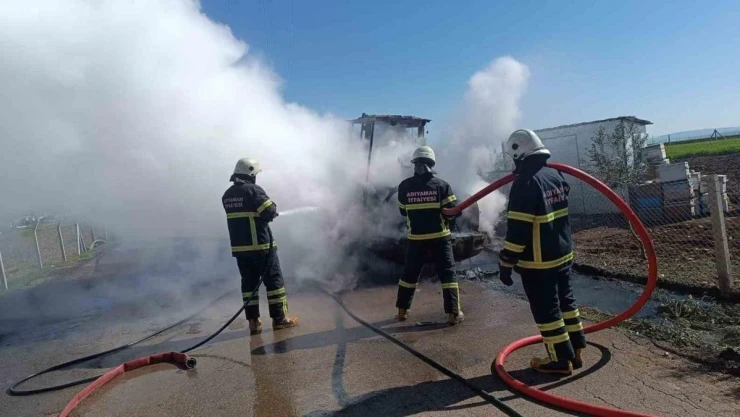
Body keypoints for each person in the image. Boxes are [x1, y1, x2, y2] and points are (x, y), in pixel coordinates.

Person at [497, 129, 586, 375]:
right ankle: (576, 350)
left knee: (547, 311)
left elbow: (518, 230)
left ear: (519, 154)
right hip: (562, 253)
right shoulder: (555, 175)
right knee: (566, 302)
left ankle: (560, 361)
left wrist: (506, 262)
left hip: (539, 261)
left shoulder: (526, 183)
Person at [222, 157, 299, 335]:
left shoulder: (227, 195)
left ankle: (253, 322)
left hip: (240, 250)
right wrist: (272, 211)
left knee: (249, 285)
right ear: (251, 173)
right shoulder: (253, 190)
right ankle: (280, 319)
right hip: (261, 247)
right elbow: (269, 211)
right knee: (274, 282)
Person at [395, 146, 464, 326]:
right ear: (432, 164)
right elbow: (452, 211)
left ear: (414, 163)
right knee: (447, 274)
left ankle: (402, 311)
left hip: (416, 238)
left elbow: (403, 212)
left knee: (409, 274)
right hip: (440, 237)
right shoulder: (442, 185)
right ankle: (453, 314)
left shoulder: (404, 186)